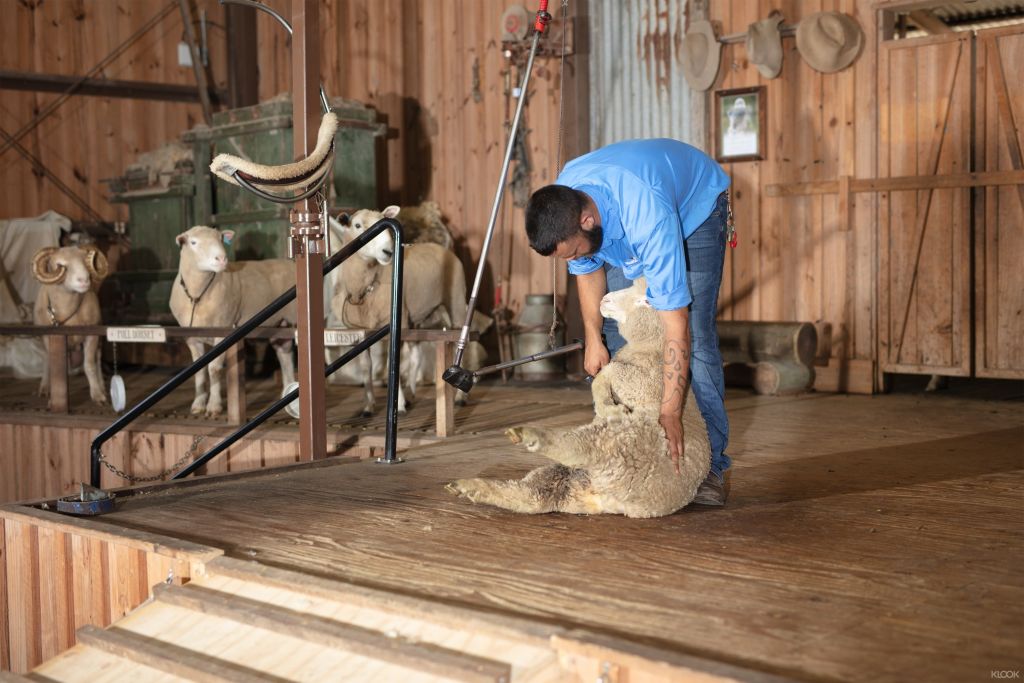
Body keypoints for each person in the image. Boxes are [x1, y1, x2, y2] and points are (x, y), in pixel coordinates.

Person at [525, 138, 732, 506]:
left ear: (586, 221)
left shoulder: (647, 217)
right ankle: (636, 456)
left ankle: (711, 464)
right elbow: (587, 272)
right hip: (624, 217)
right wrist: (593, 339)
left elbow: (676, 325)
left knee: (696, 336)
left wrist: (670, 411)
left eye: (571, 252)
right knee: (622, 339)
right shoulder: (569, 203)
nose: (573, 259)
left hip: (694, 209)